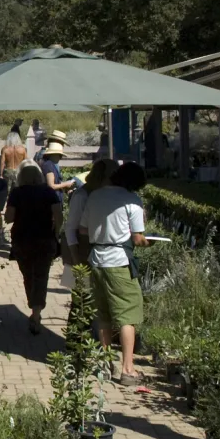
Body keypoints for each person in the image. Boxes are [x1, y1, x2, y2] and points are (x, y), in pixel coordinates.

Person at [83, 161, 149, 384]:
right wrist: (148, 242)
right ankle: (128, 369)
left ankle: (105, 363)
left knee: (103, 314)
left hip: (97, 259)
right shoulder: (132, 201)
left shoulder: (95, 196)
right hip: (119, 261)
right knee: (127, 315)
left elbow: (83, 228)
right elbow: (138, 238)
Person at [5, 163, 62, 334]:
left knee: (28, 275)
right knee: (41, 276)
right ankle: (36, 311)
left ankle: (34, 307)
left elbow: (9, 218)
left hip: (22, 240)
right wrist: (56, 233)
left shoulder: (17, 193)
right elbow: (59, 216)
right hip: (45, 239)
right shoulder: (48, 192)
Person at [64, 158, 116, 266]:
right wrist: (76, 260)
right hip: (83, 250)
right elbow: (70, 229)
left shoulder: (103, 194)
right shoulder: (81, 196)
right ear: (102, 177)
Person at [39, 131, 74, 200]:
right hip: (51, 200)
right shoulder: (48, 165)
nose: (60, 157)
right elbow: (51, 185)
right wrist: (66, 184)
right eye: (60, 155)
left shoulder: (50, 164)